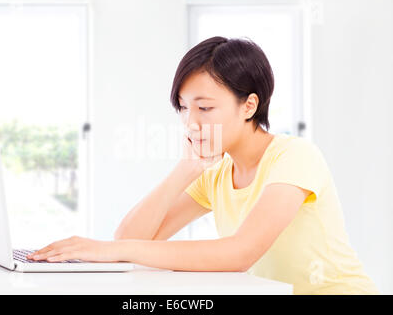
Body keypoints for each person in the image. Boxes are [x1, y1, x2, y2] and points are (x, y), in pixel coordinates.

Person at [27, 36, 378, 295]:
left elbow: (239, 253)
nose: (190, 121)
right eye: (183, 107)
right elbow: (131, 239)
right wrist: (186, 169)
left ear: (249, 105)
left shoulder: (295, 156)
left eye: (205, 108)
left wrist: (107, 250)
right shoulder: (216, 175)